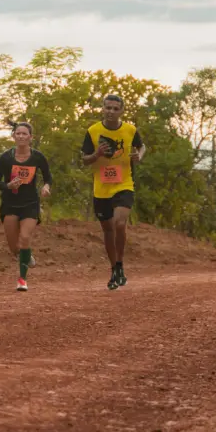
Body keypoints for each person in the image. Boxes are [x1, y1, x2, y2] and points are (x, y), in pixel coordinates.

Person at [81, 94, 146, 290]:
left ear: (121, 111)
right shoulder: (93, 131)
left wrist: (139, 156)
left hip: (124, 184)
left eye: (115, 108)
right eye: (107, 107)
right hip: (101, 188)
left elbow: (141, 146)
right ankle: (115, 269)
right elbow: (84, 159)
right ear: (103, 108)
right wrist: (96, 154)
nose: (111, 111)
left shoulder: (130, 130)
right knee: (108, 230)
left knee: (119, 223)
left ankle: (120, 263)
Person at [0, 122, 52, 292]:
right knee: (14, 248)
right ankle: (25, 255)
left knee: (25, 238)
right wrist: (8, 185)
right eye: (18, 133)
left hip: (30, 204)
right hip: (10, 204)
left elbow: (48, 177)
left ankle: (22, 279)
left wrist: (46, 187)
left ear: (30, 137)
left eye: (24, 134)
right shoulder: (6, 157)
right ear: (13, 136)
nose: (21, 136)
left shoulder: (38, 157)